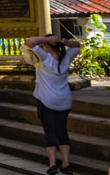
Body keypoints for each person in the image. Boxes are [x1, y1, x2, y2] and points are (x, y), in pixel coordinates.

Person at [25, 34, 81, 175]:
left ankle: (53, 164)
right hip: (64, 100)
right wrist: (66, 42)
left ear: (48, 45)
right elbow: (77, 45)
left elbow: (29, 41)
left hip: (46, 100)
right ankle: (66, 163)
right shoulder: (66, 57)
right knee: (62, 130)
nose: (43, 46)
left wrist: (46, 39)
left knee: (50, 132)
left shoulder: (45, 58)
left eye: (45, 44)